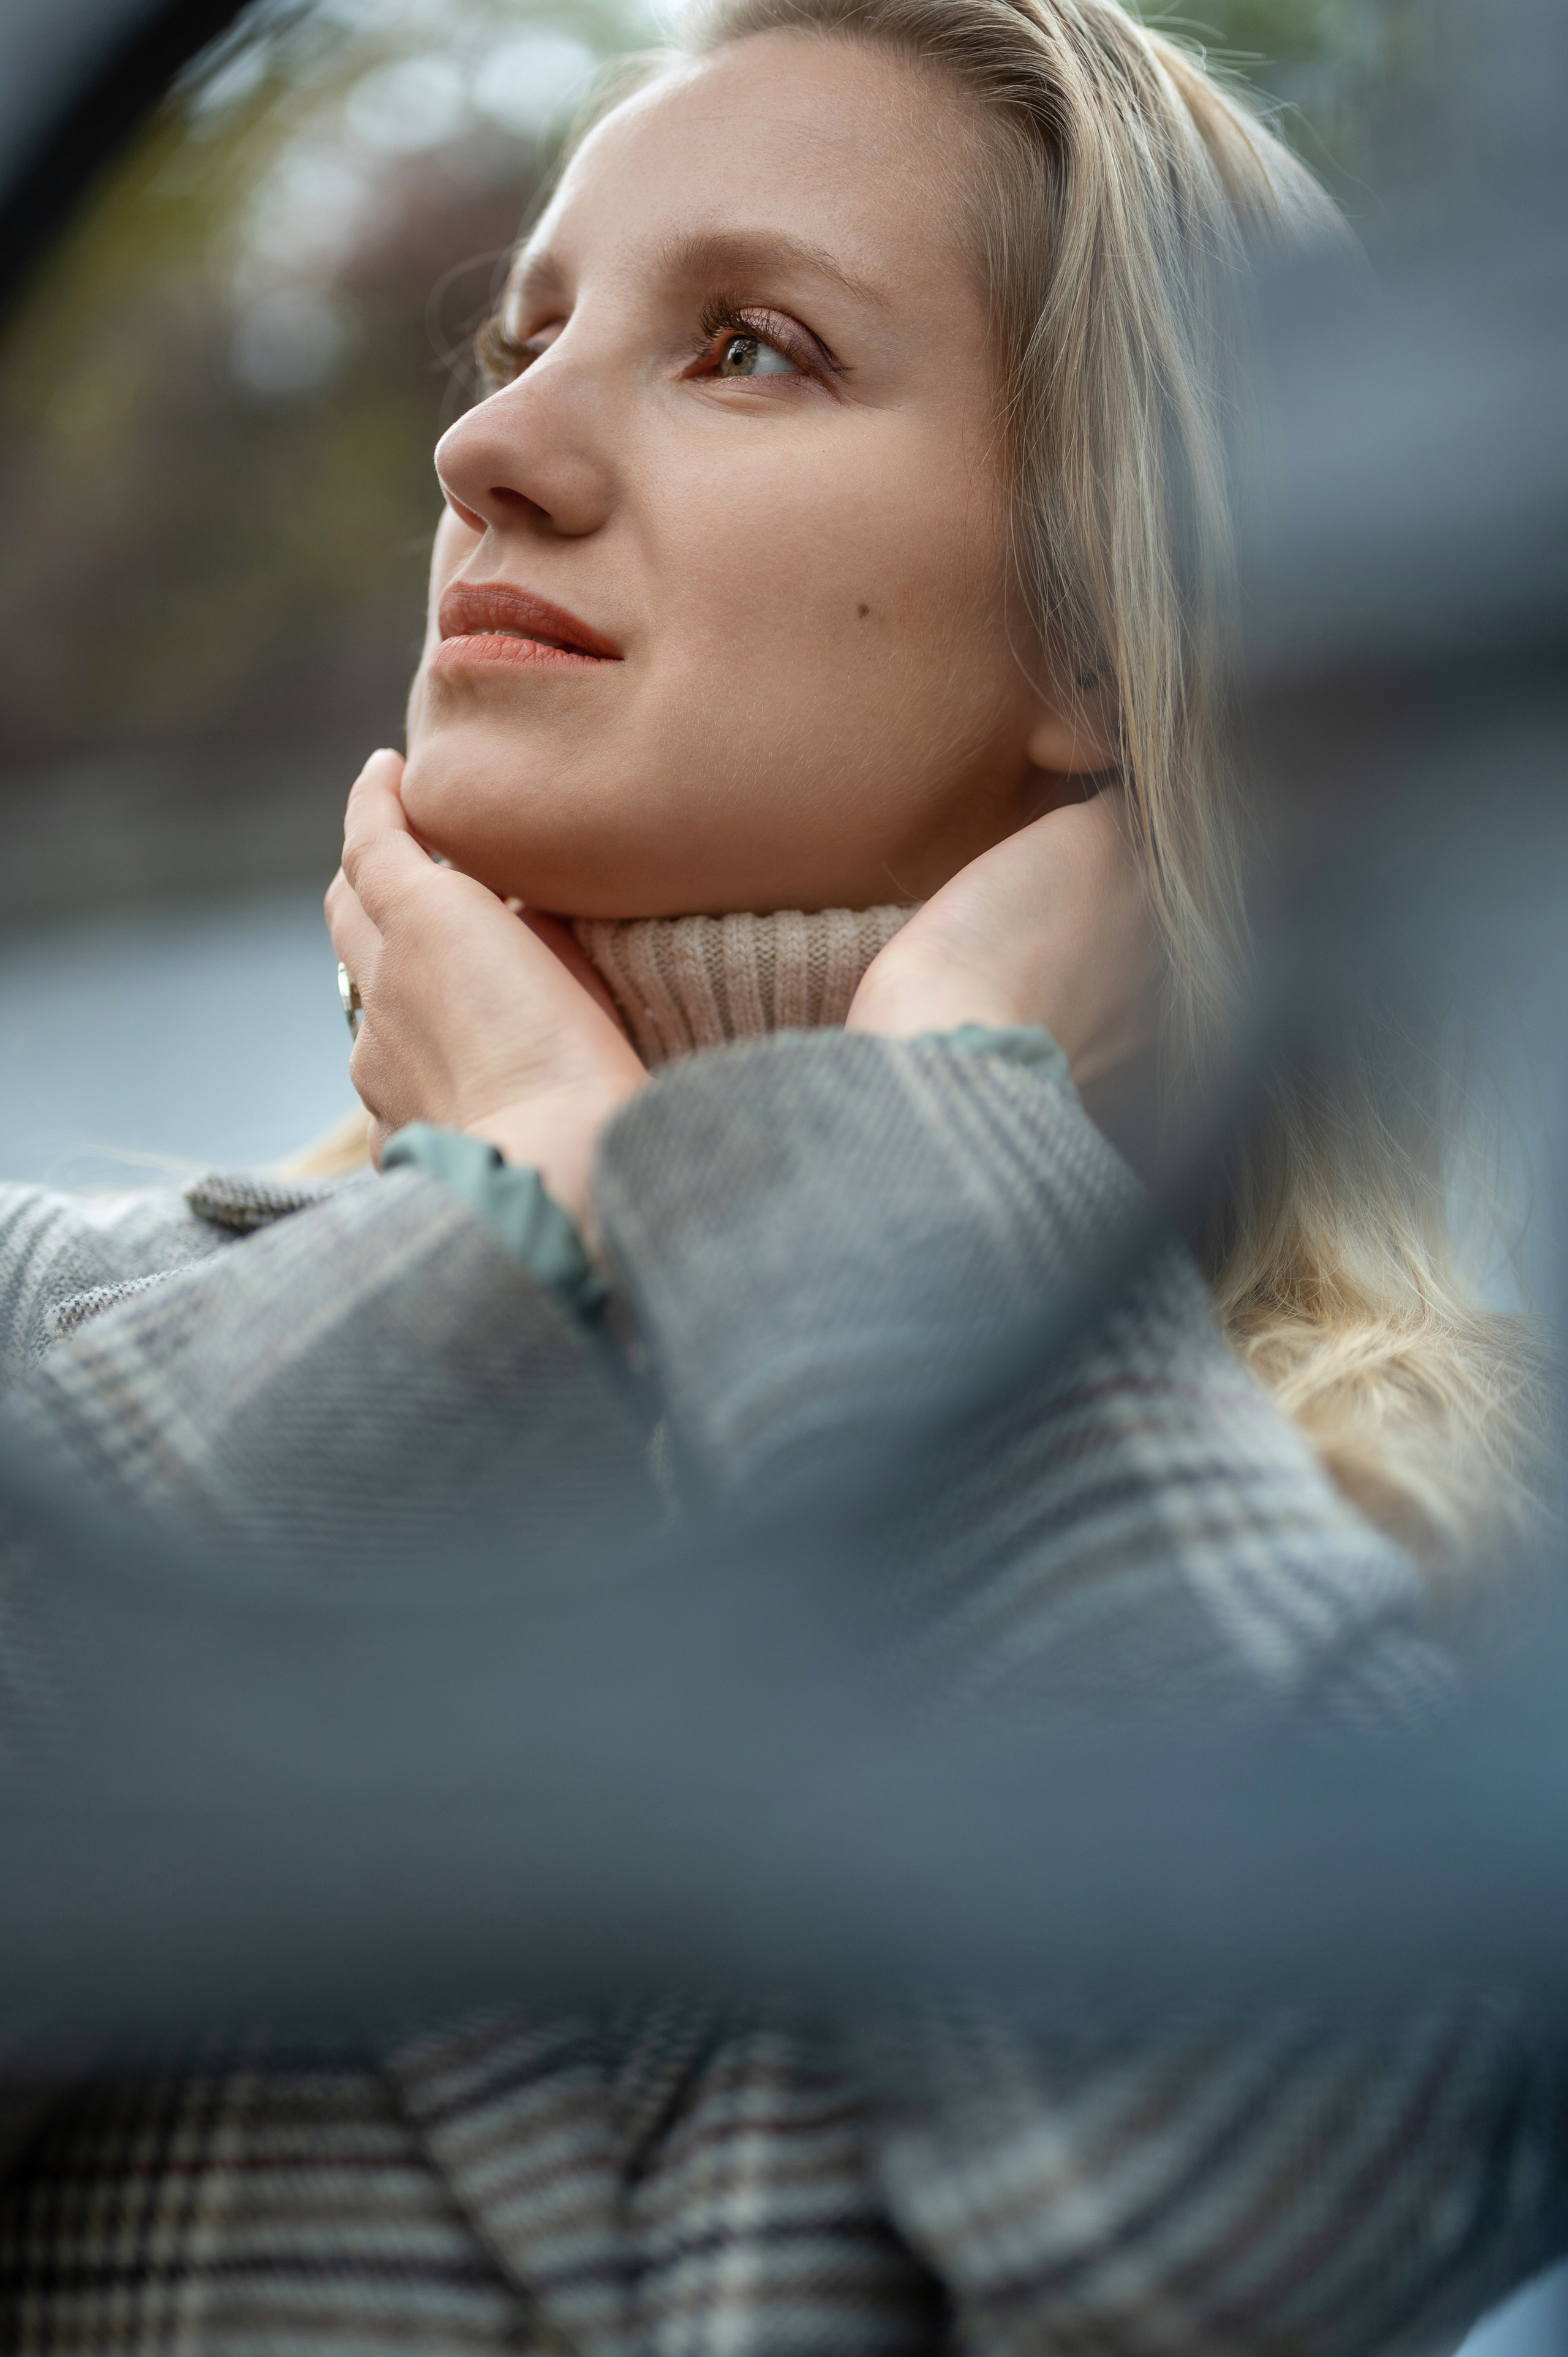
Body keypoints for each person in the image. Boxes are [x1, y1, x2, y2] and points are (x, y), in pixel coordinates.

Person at [0, 0, 1560, 2350]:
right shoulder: (49, 1329)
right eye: (522, 335)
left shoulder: (1438, 1564)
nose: (488, 444)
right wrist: (518, 1212)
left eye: (748, 346)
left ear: (1114, 617)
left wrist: (903, 1124)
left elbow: (1275, 2182)